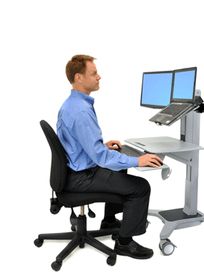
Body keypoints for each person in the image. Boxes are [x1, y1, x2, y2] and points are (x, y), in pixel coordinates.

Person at [57, 54, 163, 259]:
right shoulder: (80, 111)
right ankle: (124, 243)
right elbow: (101, 159)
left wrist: (103, 147)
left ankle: (109, 221)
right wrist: (137, 160)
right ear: (79, 78)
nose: (99, 77)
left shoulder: (74, 104)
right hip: (81, 178)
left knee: (119, 165)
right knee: (140, 187)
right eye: (94, 73)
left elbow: (80, 144)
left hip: (76, 169)